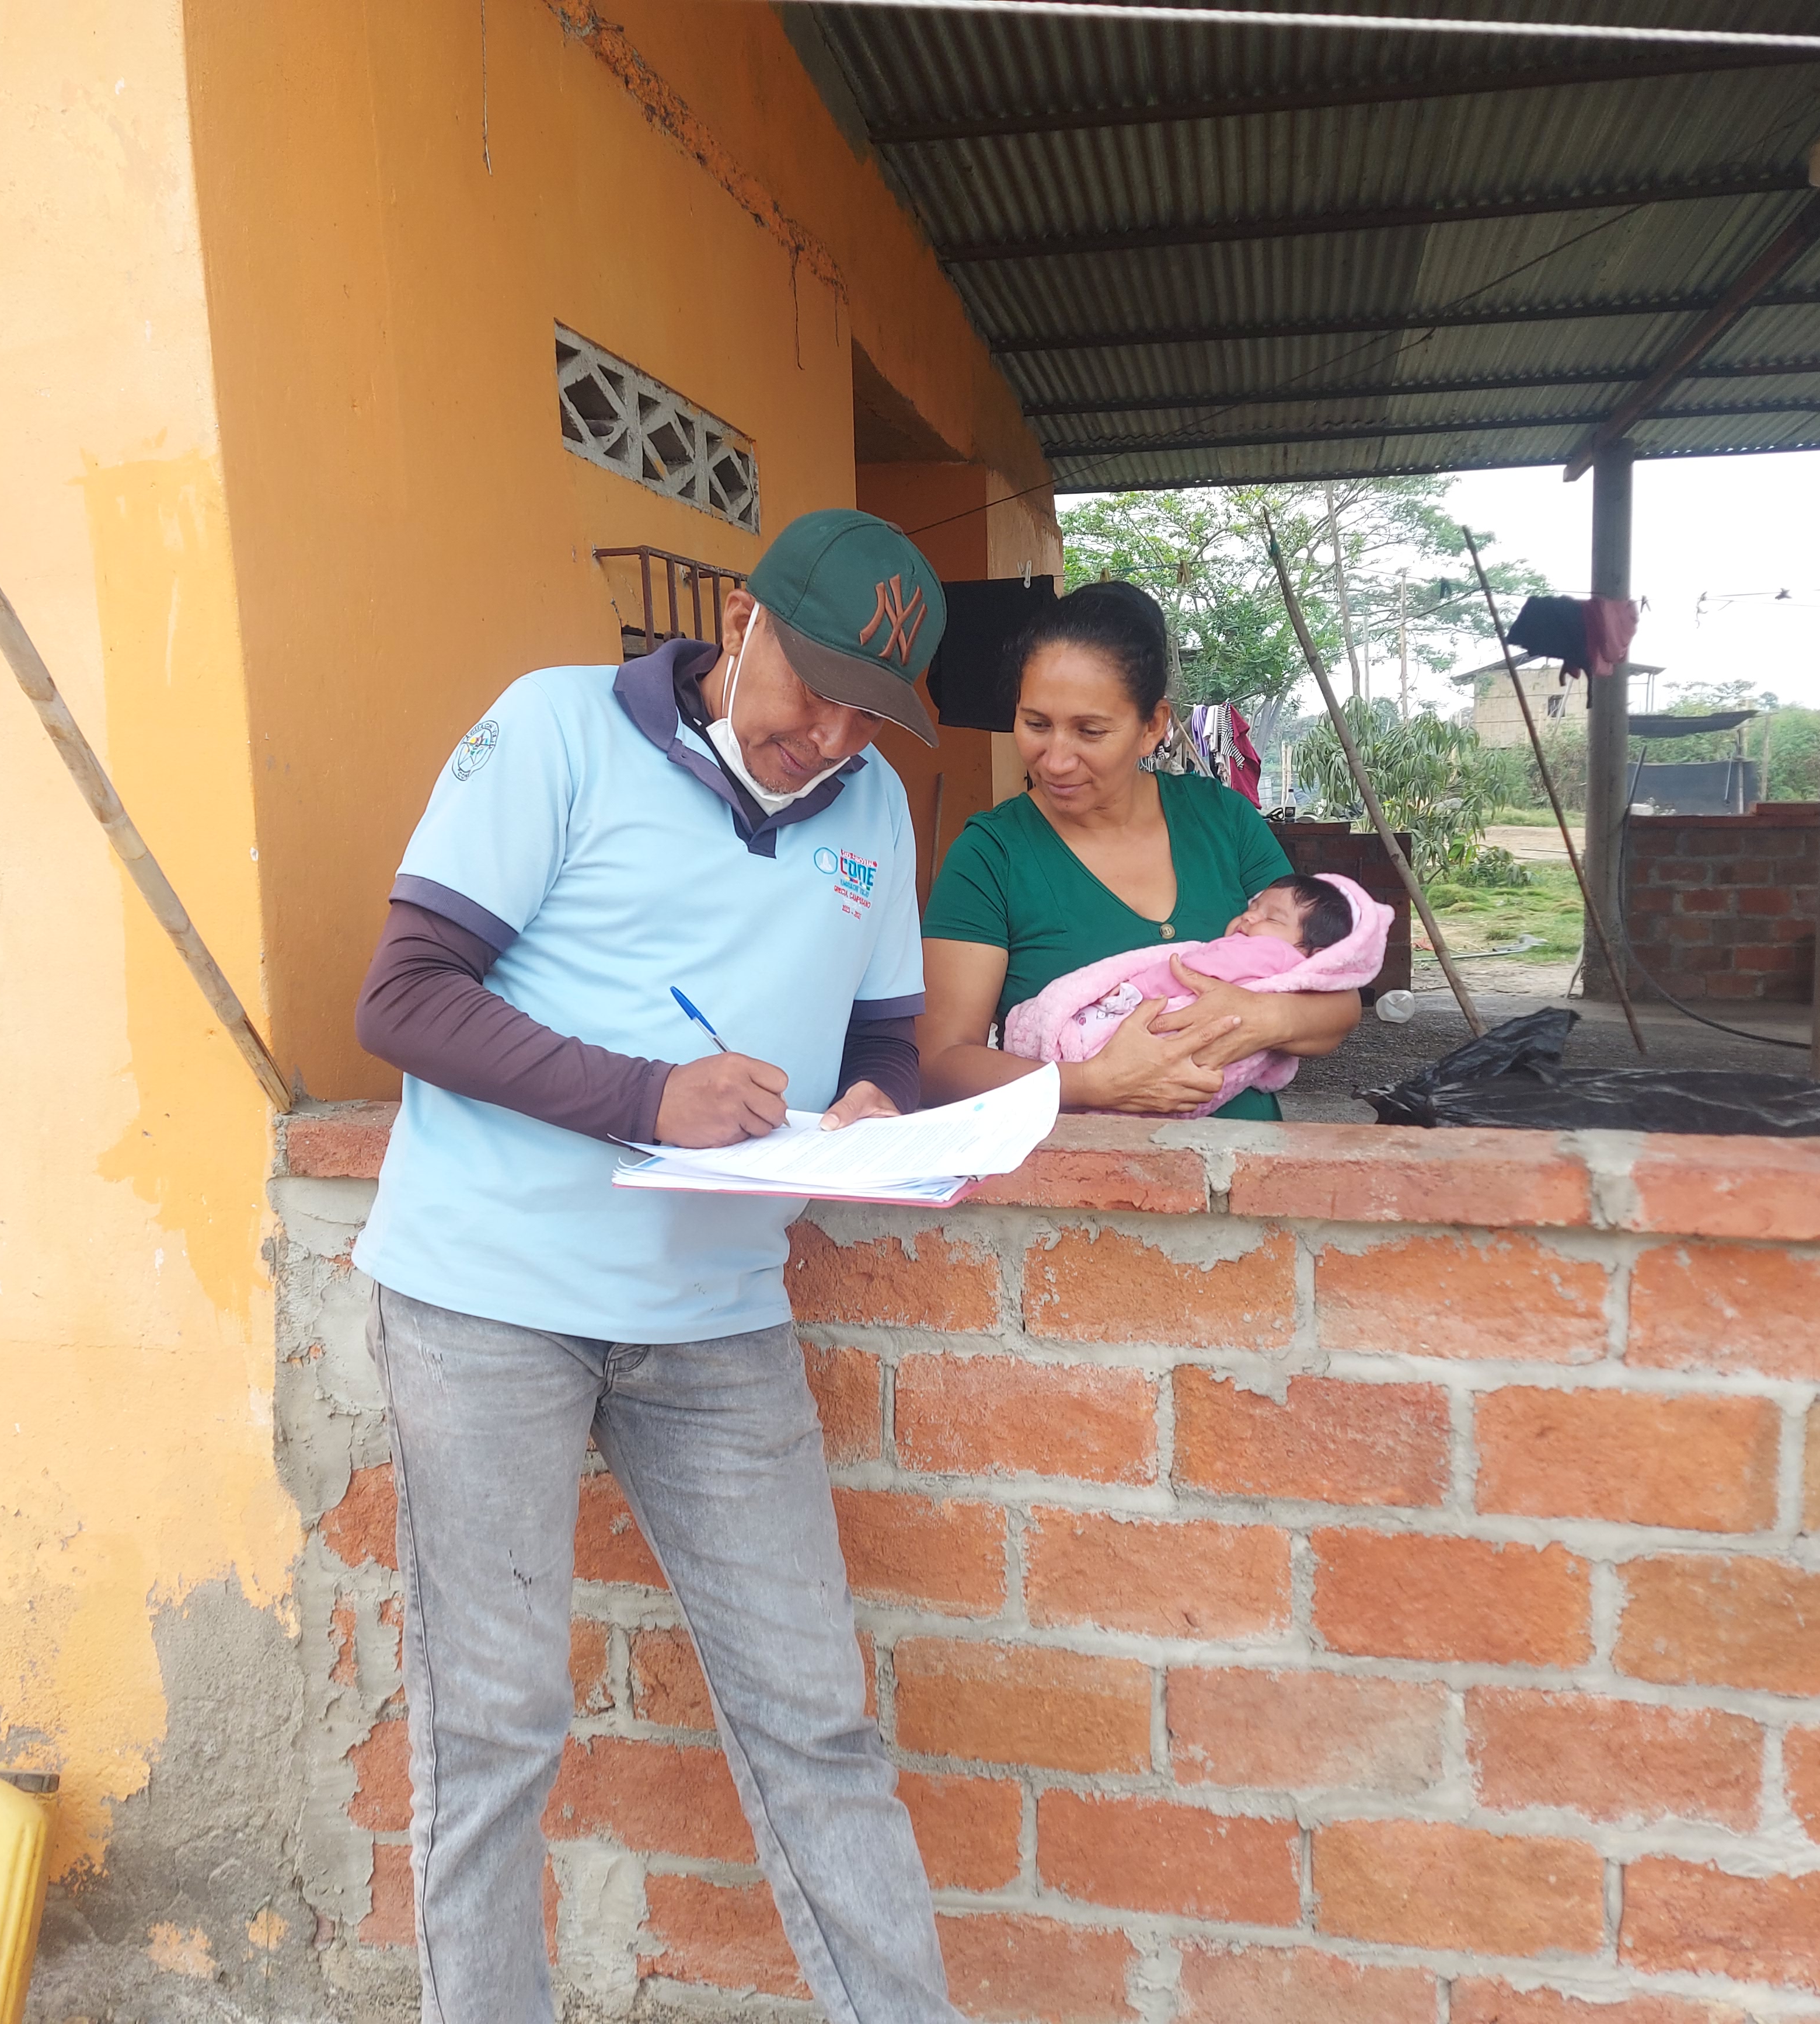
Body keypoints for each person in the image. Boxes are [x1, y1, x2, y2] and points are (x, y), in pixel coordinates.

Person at [346, 509, 962, 2022]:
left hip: (714, 1314)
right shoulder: (556, 730)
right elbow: (404, 997)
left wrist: (876, 1102)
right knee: (494, 1731)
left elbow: (885, 1035)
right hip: (488, 1298)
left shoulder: (874, 807)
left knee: (816, 1718)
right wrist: (647, 1093)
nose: (830, 738)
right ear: (740, 623)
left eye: (868, 714)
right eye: (811, 689)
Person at [918, 581, 1363, 1115]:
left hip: (1245, 1157)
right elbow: (939, 1066)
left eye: (1090, 731)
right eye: (1036, 724)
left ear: (1152, 726)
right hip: (1080, 1162)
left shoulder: (1223, 822)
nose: (1055, 760)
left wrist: (1259, 1017)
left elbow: (1338, 1004)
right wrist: (1093, 1084)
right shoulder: (992, 856)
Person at [999, 871, 1388, 1116]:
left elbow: (1189, 972)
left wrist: (1136, 989)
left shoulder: (1270, 953)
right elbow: (1275, 1072)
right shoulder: (1288, 963)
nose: (1250, 916)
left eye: (1271, 917)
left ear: (1315, 953)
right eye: (1254, 906)